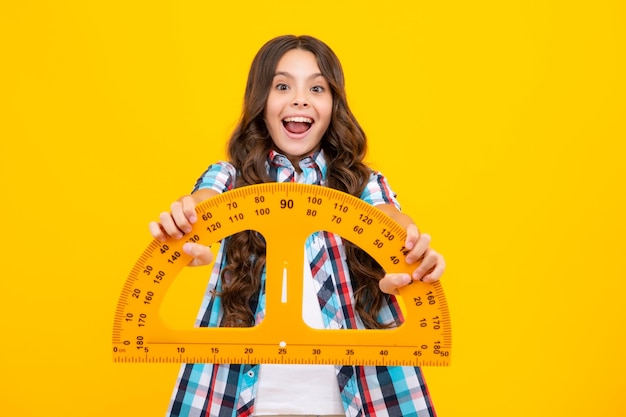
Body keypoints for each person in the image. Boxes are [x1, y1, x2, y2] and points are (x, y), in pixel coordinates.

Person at [150, 35, 446, 417]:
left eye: (317, 87)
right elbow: (205, 206)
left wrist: (408, 250)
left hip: (359, 395)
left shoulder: (363, 184)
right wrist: (187, 230)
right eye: (282, 85)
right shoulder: (230, 177)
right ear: (261, 103)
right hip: (238, 393)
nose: (300, 99)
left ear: (333, 105)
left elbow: (389, 220)